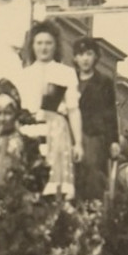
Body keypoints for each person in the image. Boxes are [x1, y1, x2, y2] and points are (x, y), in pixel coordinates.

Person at [15, 21, 80, 198]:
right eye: (39, 43)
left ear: (56, 46)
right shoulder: (22, 74)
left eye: (48, 43)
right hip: (30, 130)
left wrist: (78, 143)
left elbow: (73, 110)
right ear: (32, 45)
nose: (44, 48)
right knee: (30, 181)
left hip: (56, 132)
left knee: (54, 184)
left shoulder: (66, 73)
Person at [72, 37, 119, 202]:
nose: (85, 59)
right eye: (80, 54)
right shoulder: (69, 80)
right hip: (72, 135)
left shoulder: (104, 82)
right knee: (72, 175)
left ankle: (93, 213)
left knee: (93, 175)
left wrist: (114, 140)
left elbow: (110, 112)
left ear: (96, 57)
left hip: (95, 136)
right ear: (75, 58)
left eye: (89, 54)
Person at [0, 79, 42, 189]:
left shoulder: (27, 142)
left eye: (8, 113)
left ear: (15, 114)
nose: (3, 118)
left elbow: (35, 172)